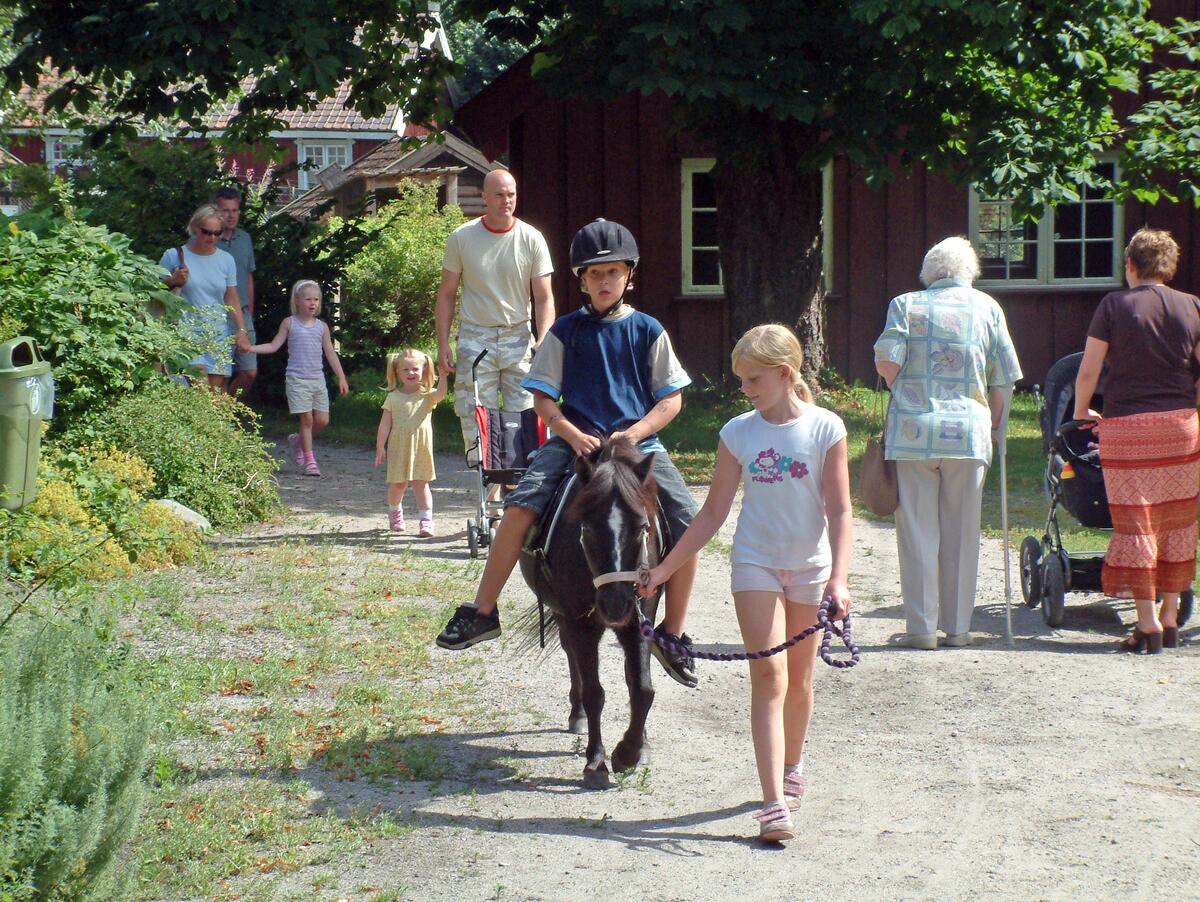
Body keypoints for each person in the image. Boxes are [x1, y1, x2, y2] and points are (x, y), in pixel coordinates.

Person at [434, 219, 701, 688]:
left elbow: (671, 398)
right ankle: (483, 610)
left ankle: (672, 632)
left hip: (637, 445)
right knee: (519, 507)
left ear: (629, 276)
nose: (604, 282)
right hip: (574, 439)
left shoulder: (648, 330)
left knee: (687, 522)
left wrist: (636, 433)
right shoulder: (564, 331)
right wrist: (569, 433)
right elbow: (542, 399)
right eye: (594, 274)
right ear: (580, 280)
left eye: (613, 272)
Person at [637, 324, 852, 843]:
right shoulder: (738, 432)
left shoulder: (826, 429)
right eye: (742, 380)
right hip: (755, 565)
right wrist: (663, 570)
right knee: (769, 678)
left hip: (811, 568)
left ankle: (793, 765)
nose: (746, 389)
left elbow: (840, 508)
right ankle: (774, 803)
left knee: (800, 680)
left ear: (784, 375)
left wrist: (839, 579)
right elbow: (712, 513)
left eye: (754, 379)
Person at [873, 236, 1022, 650]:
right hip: (969, 433)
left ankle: (921, 629)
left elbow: (886, 362)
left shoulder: (906, 304)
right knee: (961, 532)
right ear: (969, 272)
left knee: (918, 531)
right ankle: (958, 628)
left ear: (928, 273)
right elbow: (1003, 379)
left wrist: (904, 384)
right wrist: (992, 424)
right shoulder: (988, 307)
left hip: (914, 432)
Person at [1073, 228, 1200, 654]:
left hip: (1128, 427)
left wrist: (1080, 410)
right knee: (1177, 521)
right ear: (1169, 266)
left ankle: (1145, 625)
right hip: (1182, 427)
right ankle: (1169, 616)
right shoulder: (1192, 307)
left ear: (1130, 264)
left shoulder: (1113, 305)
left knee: (1137, 520)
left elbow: (1089, 369)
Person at [435, 169, 555, 469]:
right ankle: (487, 484)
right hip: (476, 337)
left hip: (518, 336)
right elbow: (447, 293)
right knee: (473, 412)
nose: (506, 200)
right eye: (499, 194)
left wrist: (545, 339)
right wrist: (443, 343)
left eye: (511, 194)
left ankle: (521, 483)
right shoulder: (462, 237)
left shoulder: (531, 238)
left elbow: (544, 297)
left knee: (527, 414)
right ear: (484, 197)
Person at [247, 279, 350, 477]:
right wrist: (251, 348)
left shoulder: (322, 327)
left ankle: (298, 441)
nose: (313, 303)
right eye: (308, 299)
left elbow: (330, 353)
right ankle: (310, 461)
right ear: (297, 301)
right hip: (297, 379)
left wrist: (342, 378)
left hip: (317, 379)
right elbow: (273, 346)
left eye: (317, 299)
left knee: (322, 420)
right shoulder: (289, 323)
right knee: (307, 420)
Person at [160, 204, 252, 389]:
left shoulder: (226, 260)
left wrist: (241, 331)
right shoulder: (174, 256)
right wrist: (171, 281)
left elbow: (231, 298)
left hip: (218, 333)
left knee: (213, 395)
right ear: (194, 228)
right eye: (206, 232)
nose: (211, 237)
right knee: (200, 387)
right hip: (186, 332)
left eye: (217, 233)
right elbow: (152, 292)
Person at [375, 349, 449, 536]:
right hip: (398, 446)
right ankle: (395, 512)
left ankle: (426, 521)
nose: (411, 373)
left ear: (424, 370)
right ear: (397, 372)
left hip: (421, 447)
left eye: (415, 369)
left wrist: (444, 377)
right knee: (398, 484)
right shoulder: (393, 397)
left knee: (421, 484)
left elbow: (441, 394)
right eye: (405, 369)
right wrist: (380, 446)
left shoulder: (427, 395)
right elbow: (385, 424)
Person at [213, 187, 258, 399]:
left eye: (234, 210)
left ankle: (226, 409)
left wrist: (250, 310)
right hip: (217, 313)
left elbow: (249, 275)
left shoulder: (244, 238)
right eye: (225, 210)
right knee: (220, 373)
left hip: (242, 313)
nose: (230, 215)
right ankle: (220, 422)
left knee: (249, 371)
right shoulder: (209, 240)